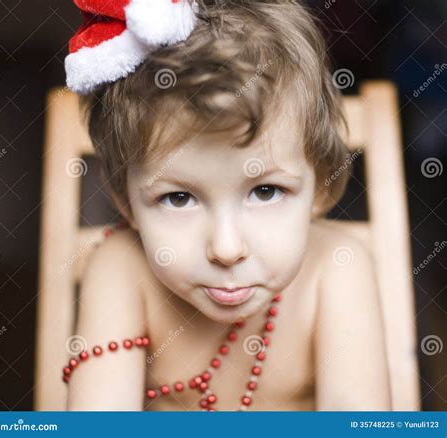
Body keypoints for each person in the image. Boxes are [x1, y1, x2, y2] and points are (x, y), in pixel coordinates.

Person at [62, 0, 391, 411]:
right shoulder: (120, 268)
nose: (226, 248)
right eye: (178, 197)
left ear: (321, 185)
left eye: (266, 191)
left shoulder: (338, 267)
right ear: (125, 202)